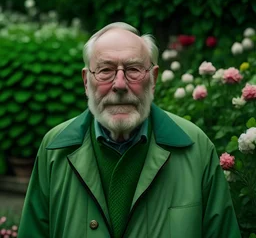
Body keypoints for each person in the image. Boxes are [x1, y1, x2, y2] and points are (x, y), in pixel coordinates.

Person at [18, 22, 241, 238]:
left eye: (133, 70)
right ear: (86, 81)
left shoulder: (196, 147)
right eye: (105, 70)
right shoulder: (55, 149)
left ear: (153, 79)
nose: (120, 84)